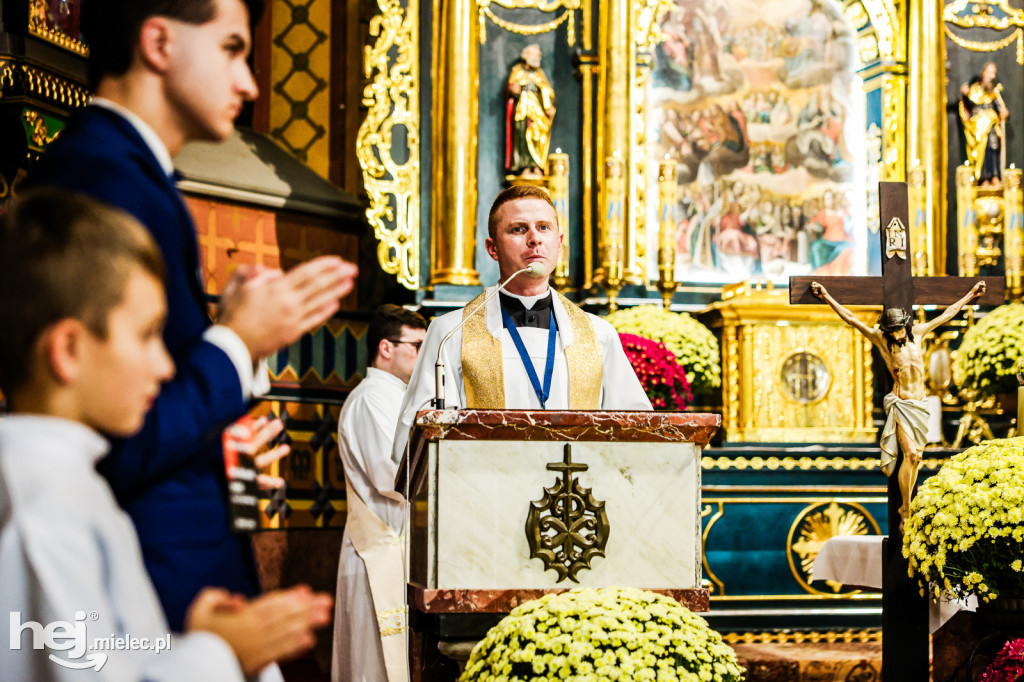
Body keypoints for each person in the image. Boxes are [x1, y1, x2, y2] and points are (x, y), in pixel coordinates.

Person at [22, 0, 357, 631]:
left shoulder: (135, 172)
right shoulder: (106, 178)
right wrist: (236, 344)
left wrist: (231, 371)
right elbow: (108, 437)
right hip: (148, 591)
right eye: (232, 49)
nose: (250, 85)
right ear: (158, 43)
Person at [0, 190, 333, 681]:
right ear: (68, 349)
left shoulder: (67, 484)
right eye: (147, 335)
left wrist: (190, 638)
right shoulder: (45, 514)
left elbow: (107, 651)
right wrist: (221, 652)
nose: (164, 366)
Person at [393, 185, 652, 460]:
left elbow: (637, 431)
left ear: (559, 242)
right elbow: (416, 440)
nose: (534, 239)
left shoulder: (598, 334)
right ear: (492, 248)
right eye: (518, 229)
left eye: (544, 227)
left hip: (576, 483)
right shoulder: (451, 332)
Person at [810, 279, 986, 523]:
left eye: (899, 329)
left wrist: (971, 295)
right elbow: (851, 319)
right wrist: (826, 297)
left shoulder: (919, 334)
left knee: (917, 458)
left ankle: (907, 504)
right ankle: (906, 508)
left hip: (920, 404)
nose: (896, 333)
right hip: (901, 404)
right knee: (910, 454)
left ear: (905, 325)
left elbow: (947, 315)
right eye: (891, 330)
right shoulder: (882, 340)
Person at [332, 305, 426, 682]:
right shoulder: (372, 397)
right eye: (416, 346)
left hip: (395, 546)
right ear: (386, 348)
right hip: (377, 548)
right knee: (373, 666)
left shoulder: (395, 396)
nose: (422, 355)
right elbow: (390, 476)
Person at [505, 44, 556, 177]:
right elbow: (511, 90)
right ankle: (524, 166)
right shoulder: (517, 71)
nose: (538, 57)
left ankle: (537, 165)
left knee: (538, 135)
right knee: (522, 137)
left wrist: (549, 105)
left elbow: (547, 91)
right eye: (535, 55)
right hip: (522, 109)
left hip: (537, 111)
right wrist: (514, 90)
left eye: (539, 55)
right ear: (527, 56)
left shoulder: (540, 74)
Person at [960, 61, 1009, 187]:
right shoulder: (974, 90)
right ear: (984, 73)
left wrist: (1004, 114)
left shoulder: (993, 92)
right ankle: (983, 178)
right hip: (978, 127)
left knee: (993, 148)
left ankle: (994, 176)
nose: (992, 76)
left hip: (992, 125)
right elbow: (969, 107)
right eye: (990, 72)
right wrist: (965, 96)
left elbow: (999, 107)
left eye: (994, 73)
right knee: (983, 151)